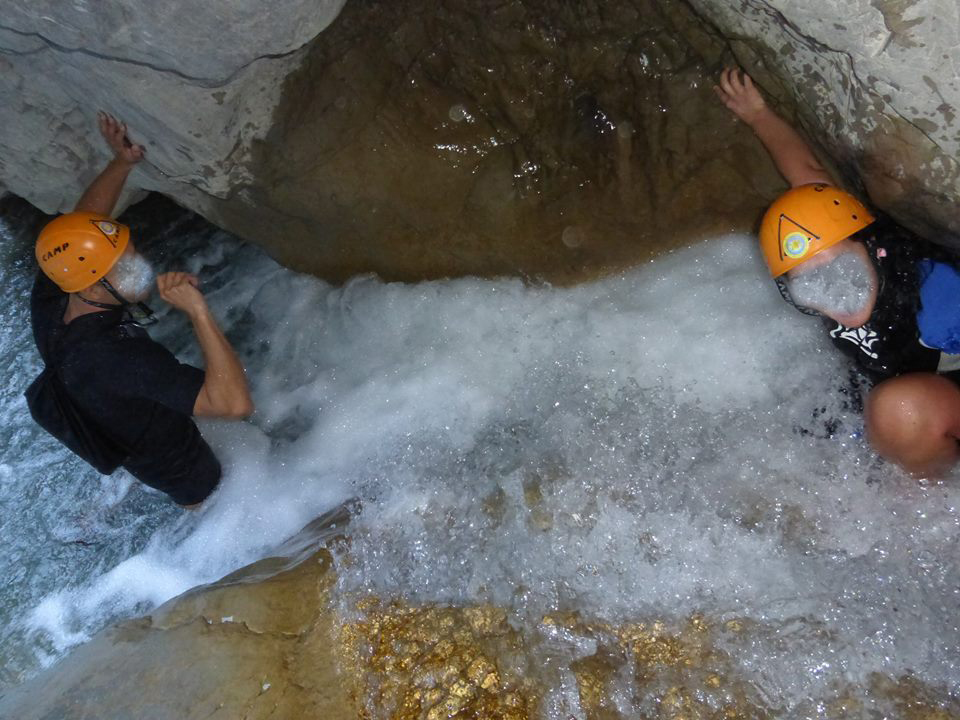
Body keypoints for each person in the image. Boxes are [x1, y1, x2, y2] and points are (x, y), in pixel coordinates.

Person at [715, 67, 960, 478]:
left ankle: (925, 491)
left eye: (842, 268)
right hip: (896, 377)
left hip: (930, 397)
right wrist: (760, 115)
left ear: (874, 248)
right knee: (807, 436)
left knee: (898, 413)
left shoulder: (936, 298)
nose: (836, 294)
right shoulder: (838, 242)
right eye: (809, 283)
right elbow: (810, 180)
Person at [27, 112, 254, 507]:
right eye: (125, 263)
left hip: (105, 406)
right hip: (172, 459)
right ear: (96, 281)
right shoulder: (118, 360)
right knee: (208, 494)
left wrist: (122, 162)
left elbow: (82, 226)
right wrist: (198, 312)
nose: (140, 261)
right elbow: (233, 406)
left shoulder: (57, 291)